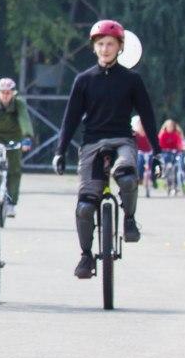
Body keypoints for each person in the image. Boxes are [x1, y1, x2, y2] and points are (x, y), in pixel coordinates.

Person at [53, 21, 161, 280]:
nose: (105, 48)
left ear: (120, 47)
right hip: (92, 143)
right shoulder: (84, 80)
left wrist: (157, 152)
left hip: (122, 140)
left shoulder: (132, 80)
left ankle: (130, 219)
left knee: (127, 176)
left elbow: (147, 116)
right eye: (100, 44)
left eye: (110, 44)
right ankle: (86, 255)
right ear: (94, 47)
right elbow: (70, 119)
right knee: (85, 207)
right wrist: (60, 151)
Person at [0, 78, 33, 217]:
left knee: (14, 170)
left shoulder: (19, 103)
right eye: (3, 92)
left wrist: (26, 138)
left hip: (15, 137)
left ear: (13, 92)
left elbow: (24, 119)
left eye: (8, 92)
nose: (5, 95)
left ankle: (11, 204)